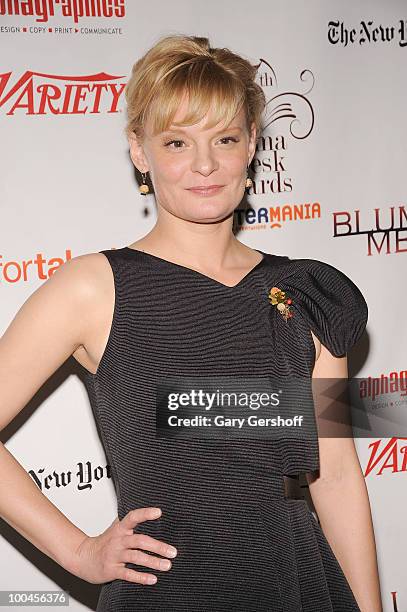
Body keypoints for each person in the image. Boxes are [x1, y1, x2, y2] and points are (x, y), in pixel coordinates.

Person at [0, 33, 382, 611]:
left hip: (295, 582)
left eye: (224, 139)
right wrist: (79, 552)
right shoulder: (91, 288)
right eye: (177, 142)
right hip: (166, 593)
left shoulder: (306, 292)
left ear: (252, 143)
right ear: (139, 151)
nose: (204, 164)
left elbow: (336, 475)